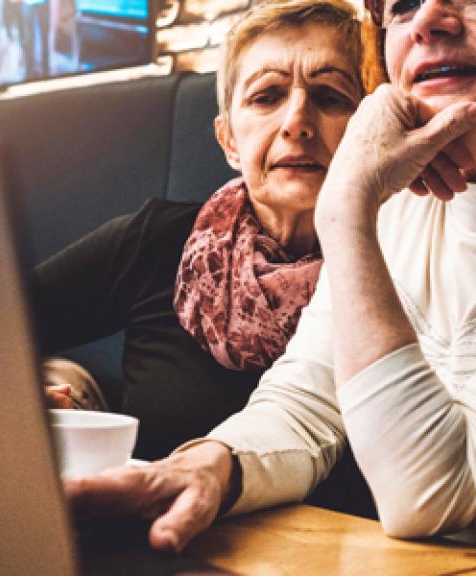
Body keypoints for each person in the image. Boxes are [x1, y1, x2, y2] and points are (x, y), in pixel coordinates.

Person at [66, 0, 476, 551]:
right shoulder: (399, 217)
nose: (427, 15)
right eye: (400, 3)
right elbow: (301, 405)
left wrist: (347, 205)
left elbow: (434, 490)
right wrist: (209, 467)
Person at [30, 0, 373, 460]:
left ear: (370, 125)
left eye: (330, 96)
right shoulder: (157, 241)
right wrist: (47, 385)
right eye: (266, 96)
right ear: (228, 140)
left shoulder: (411, 261)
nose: (296, 123)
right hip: (160, 527)